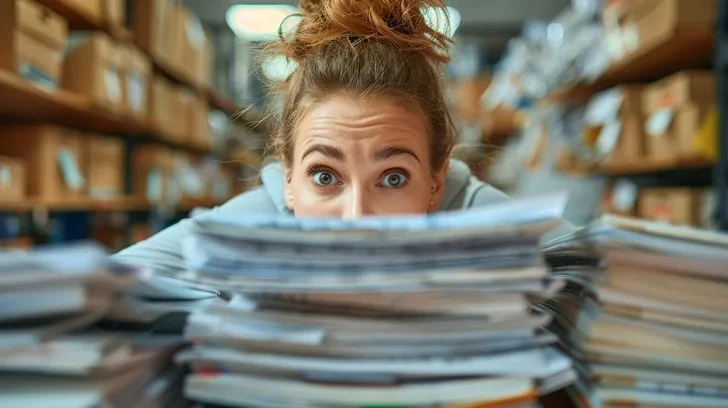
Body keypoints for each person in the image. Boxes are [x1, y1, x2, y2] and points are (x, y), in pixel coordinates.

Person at [113, 0, 510, 273]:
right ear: (288, 181)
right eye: (324, 176)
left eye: (393, 178)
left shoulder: (482, 215)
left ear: (436, 184)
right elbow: (95, 294)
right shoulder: (250, 224)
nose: (355, 218)